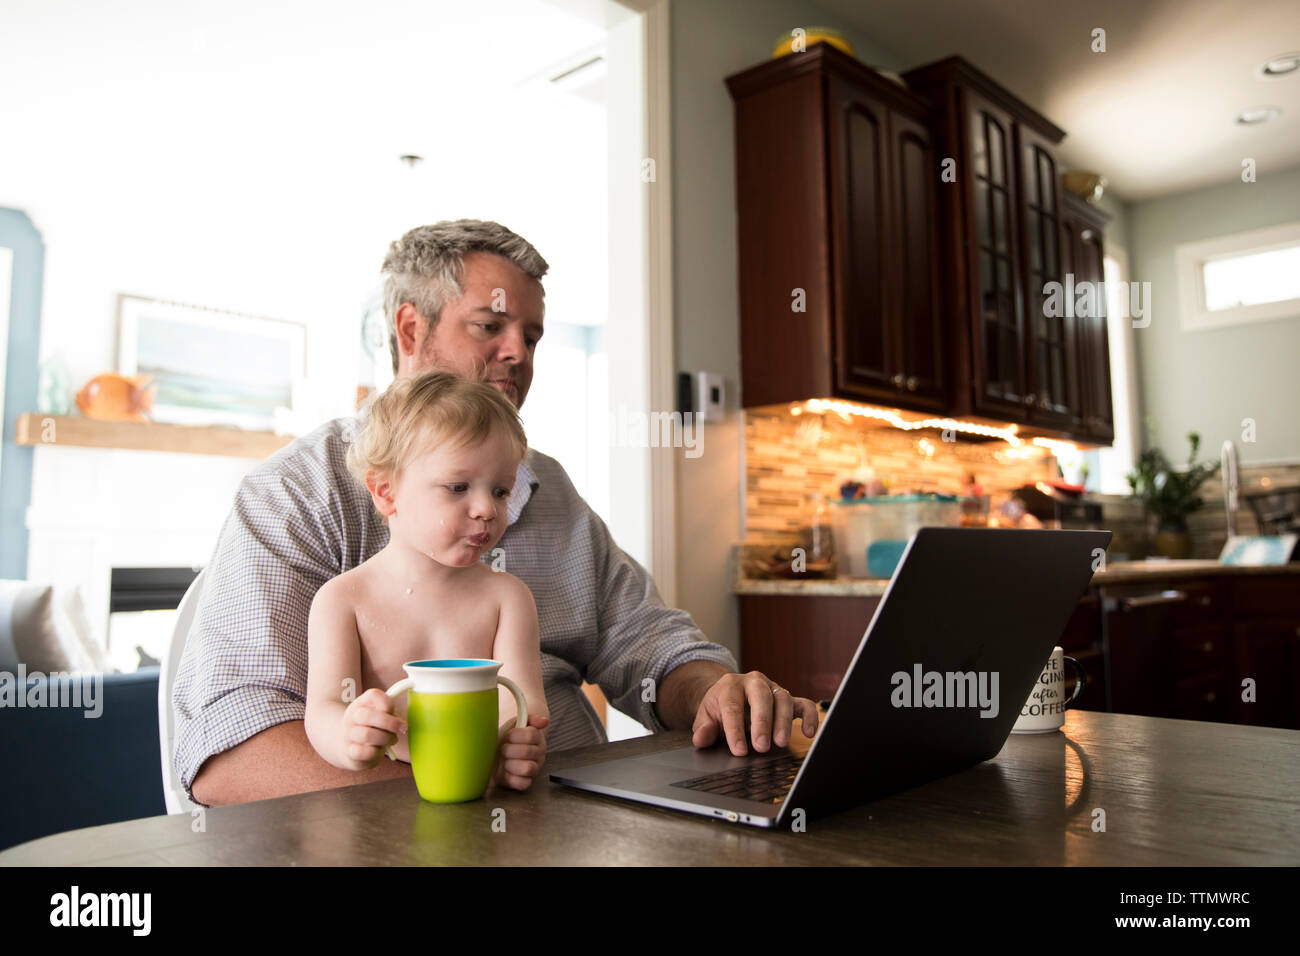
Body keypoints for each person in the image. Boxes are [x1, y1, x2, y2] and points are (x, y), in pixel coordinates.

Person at [173, 219, 819, 807]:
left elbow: (649, 646)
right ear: (409, 330)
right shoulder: (297, 495)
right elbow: (230, 755)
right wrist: (466, 794)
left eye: (532, 337)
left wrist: (715, 690)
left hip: (576, 830)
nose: (520, 354)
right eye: (491, 326)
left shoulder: (551, 490)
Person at [304, 371, 549, 789]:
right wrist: (347, 735)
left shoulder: (508, 597)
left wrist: (518, 745)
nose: (486, 509)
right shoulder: (343, 600)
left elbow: (520, 701)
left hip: (483, 796)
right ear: (385, 491)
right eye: (458, 487)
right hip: (385, 799)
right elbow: (325, 708)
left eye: (501, 491)